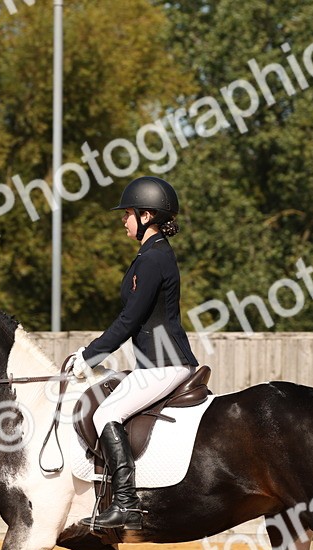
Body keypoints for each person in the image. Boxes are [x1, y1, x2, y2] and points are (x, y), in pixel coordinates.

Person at [66, 176, 199, 531]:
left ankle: (126, 503)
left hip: (165, 362)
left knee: (105, 413)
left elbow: (129, 320)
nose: (123, 221)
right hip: (155, 361)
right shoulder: (149, 255)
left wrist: (89, 356)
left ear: (146, 216)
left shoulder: (154, 259)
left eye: (127, 214)